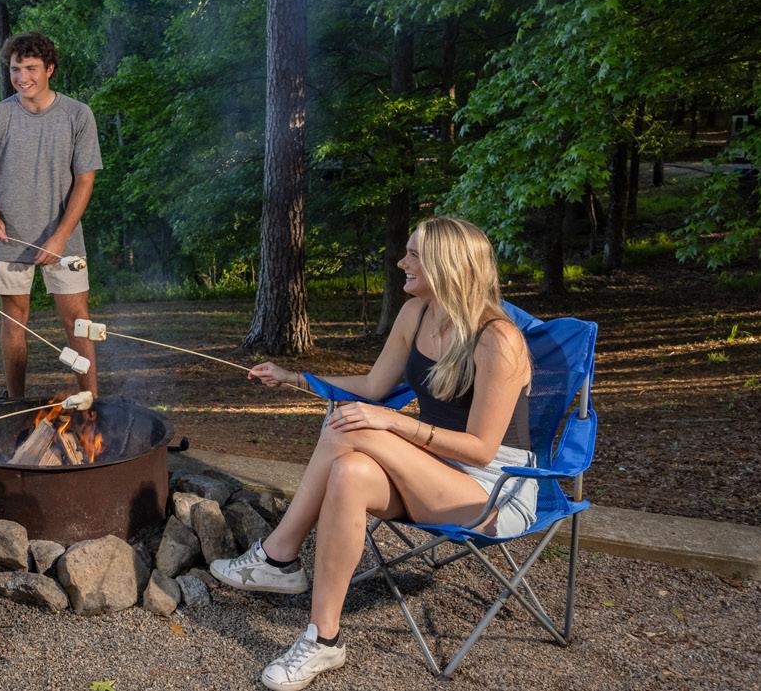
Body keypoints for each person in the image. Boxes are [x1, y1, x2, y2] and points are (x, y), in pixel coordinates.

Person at [210, 215, 537, 691]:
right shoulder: (417, 313)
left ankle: (279, 556)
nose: (401, 262)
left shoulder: (498, 339)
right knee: (350, 471)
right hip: (431, 471)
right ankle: (323, 638)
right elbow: (373, 386)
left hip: (492, 491)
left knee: (351, 424)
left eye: (414, 255)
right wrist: (295, 377)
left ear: (447, 265)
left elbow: (483, 450)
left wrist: (393, 422)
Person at [0, 31, 102, 397]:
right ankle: (15, 402)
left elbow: (85, 181)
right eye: (15, 69)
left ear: (50, 69)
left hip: (65, 239)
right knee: (14, 322)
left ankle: (90, 403)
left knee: (78, 322)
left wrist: (59, 237)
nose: (22, 77)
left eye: (31, 68)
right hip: (9, 240)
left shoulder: (77, 114)